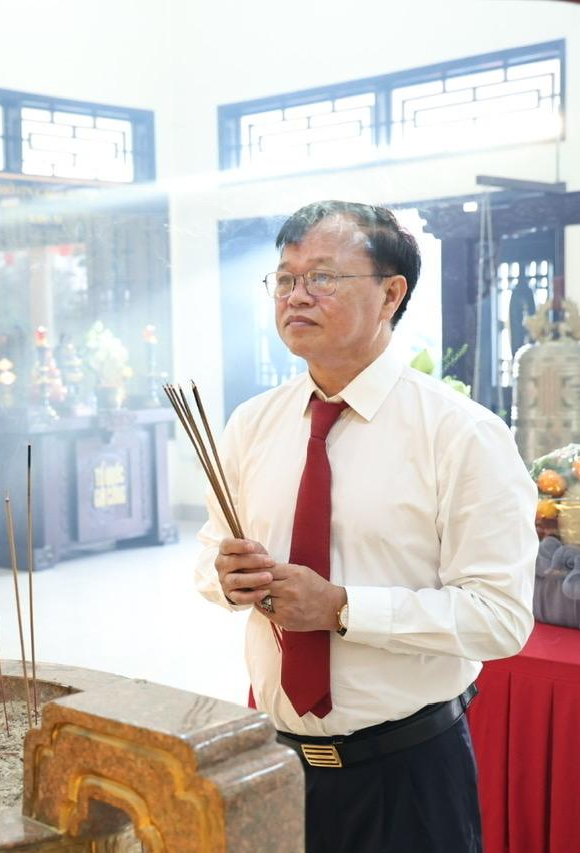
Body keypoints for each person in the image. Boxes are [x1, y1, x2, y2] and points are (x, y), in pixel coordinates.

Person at [194, 200, 537, 852]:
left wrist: (343, 608)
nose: (296, 296)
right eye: (285, 278)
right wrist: (225, 577)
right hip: (277, 760)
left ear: (390, 293)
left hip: (407, 774)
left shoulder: (461, 434)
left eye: (322, 276)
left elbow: (500, 618)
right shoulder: (253, 424)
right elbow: (211, 551)